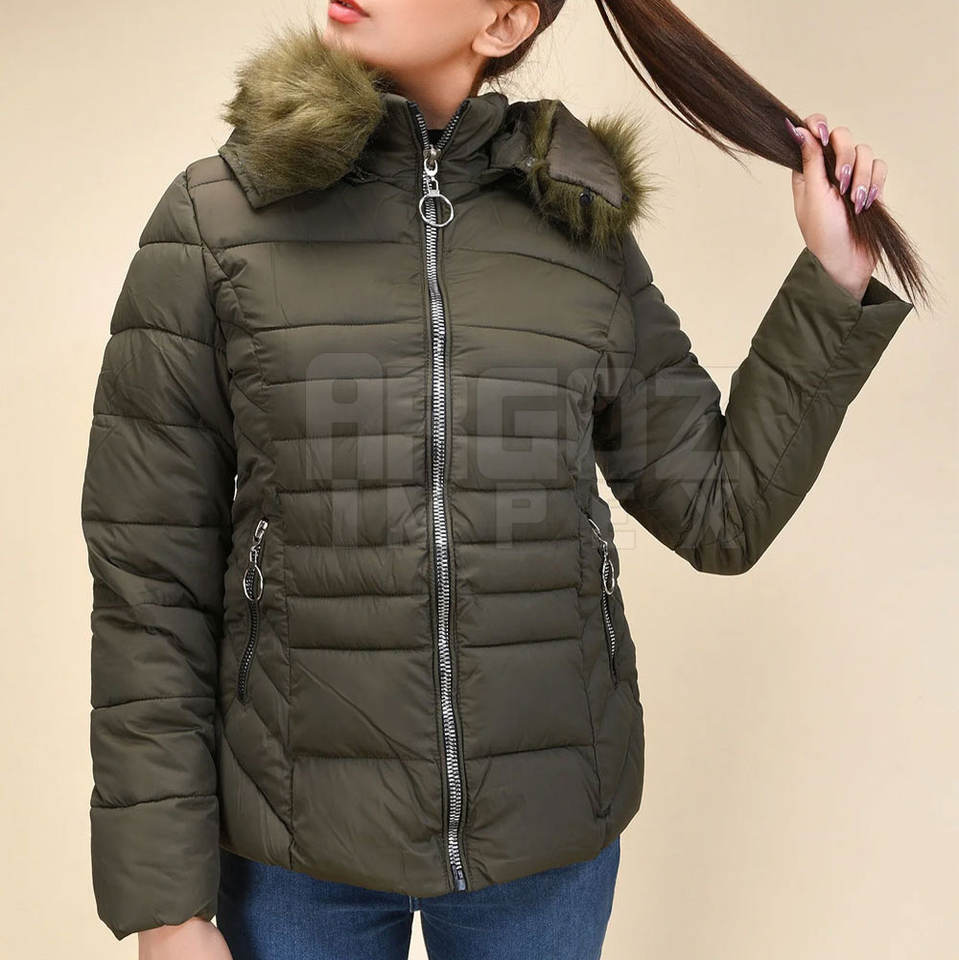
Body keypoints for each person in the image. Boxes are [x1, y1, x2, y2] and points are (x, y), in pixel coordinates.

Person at [79, 1, 922, 958]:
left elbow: (718, 513)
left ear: (505, 20)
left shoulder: (578, 233)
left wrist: (832, 280)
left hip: (544, 840)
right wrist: (169, 907)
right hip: (290, 844)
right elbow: (149, 580)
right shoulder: (220, 217)